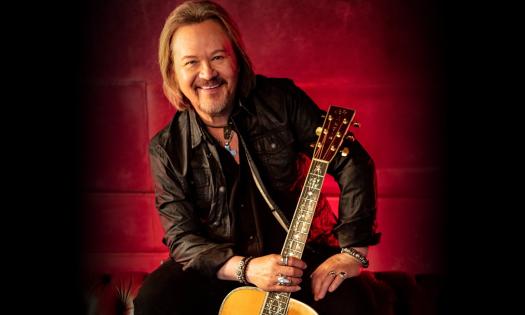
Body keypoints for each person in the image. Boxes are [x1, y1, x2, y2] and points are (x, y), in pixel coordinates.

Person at [134, 1, 381, 314]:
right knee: (155, 300)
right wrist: (246, 268)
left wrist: (353, 252)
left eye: (218, 57)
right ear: (173, 72)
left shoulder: (281, 101)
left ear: (237, 58)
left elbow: (351, 160)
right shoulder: (167, 148)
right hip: (226, 267)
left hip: (302, 259)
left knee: (356, 302)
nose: (207, 73)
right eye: (191, 62)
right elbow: (182, 238)